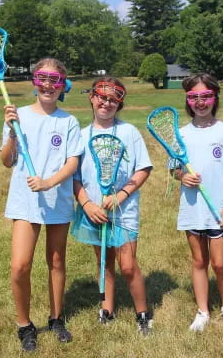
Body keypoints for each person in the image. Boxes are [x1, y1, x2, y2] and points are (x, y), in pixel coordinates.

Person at [1, 58, 83, 351]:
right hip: (25, 202)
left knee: (57, 261)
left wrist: (49, 182)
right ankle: (24, 325)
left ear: (62, 85)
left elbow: (72, 162)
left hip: (56, 200)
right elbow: (7, 160)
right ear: (35, 81)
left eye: (55, 80)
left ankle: (56, 318)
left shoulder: (69, 121)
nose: (48, 85)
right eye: (42, 78)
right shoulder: (18, 115)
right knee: (20, 266)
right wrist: (12, 132)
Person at [72, 77, 154, 335]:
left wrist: (122, 194)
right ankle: (106, 309)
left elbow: (143, 168)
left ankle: (143, 313)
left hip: (124, 210)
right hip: (94, 212)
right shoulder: (81, 136)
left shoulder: (129, 132)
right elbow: (74, 177)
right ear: (92, 98)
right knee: (103, 261)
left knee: (128, 265)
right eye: (102, 97)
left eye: (113, 99)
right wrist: (86, 204)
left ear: (120, 103)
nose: (106, 103)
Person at [170, 73, 223, 331]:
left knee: (221, 262)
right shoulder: (181, 134)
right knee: (199, 261)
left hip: (219, 210)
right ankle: (202, 311)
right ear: (188, 100)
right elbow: (174, 169)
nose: (200, 102)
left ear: (215, 98)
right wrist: (183, 176)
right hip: (193, 208)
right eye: (194, 97)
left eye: (205, 96)